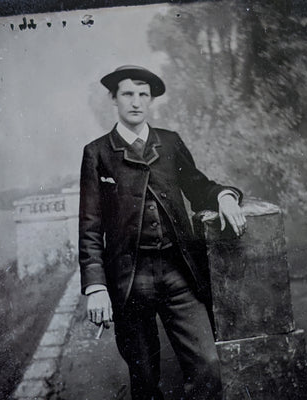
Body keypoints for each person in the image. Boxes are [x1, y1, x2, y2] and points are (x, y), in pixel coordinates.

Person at [79, 65, 246, 400]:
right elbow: (90, 226)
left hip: (178, 274)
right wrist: (96, 286)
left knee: (208, 366)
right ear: (114, 99)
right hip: (129, 281)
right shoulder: (97, 153)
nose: (136, 102)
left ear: (151, 100)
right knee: (144, 379)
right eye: (128, 94)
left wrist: (225, 196)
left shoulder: (169, 143)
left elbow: (199, 187)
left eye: (144, 95)